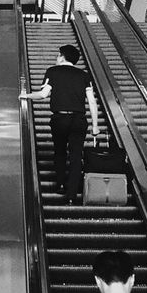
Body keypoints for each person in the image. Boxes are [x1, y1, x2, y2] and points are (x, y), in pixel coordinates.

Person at [21, 44, 100, 204]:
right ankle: (72, 194)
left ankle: (61, 184)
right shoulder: (83, 75)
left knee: (60, 152)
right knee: (76, 155)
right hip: (79, 120)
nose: (56, 58)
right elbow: (92, 102)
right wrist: (95, 125)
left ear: (62, 56)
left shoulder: (53, 71)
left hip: (60, 119)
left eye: (58, 55)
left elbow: (43, 94)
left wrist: (25, 95)